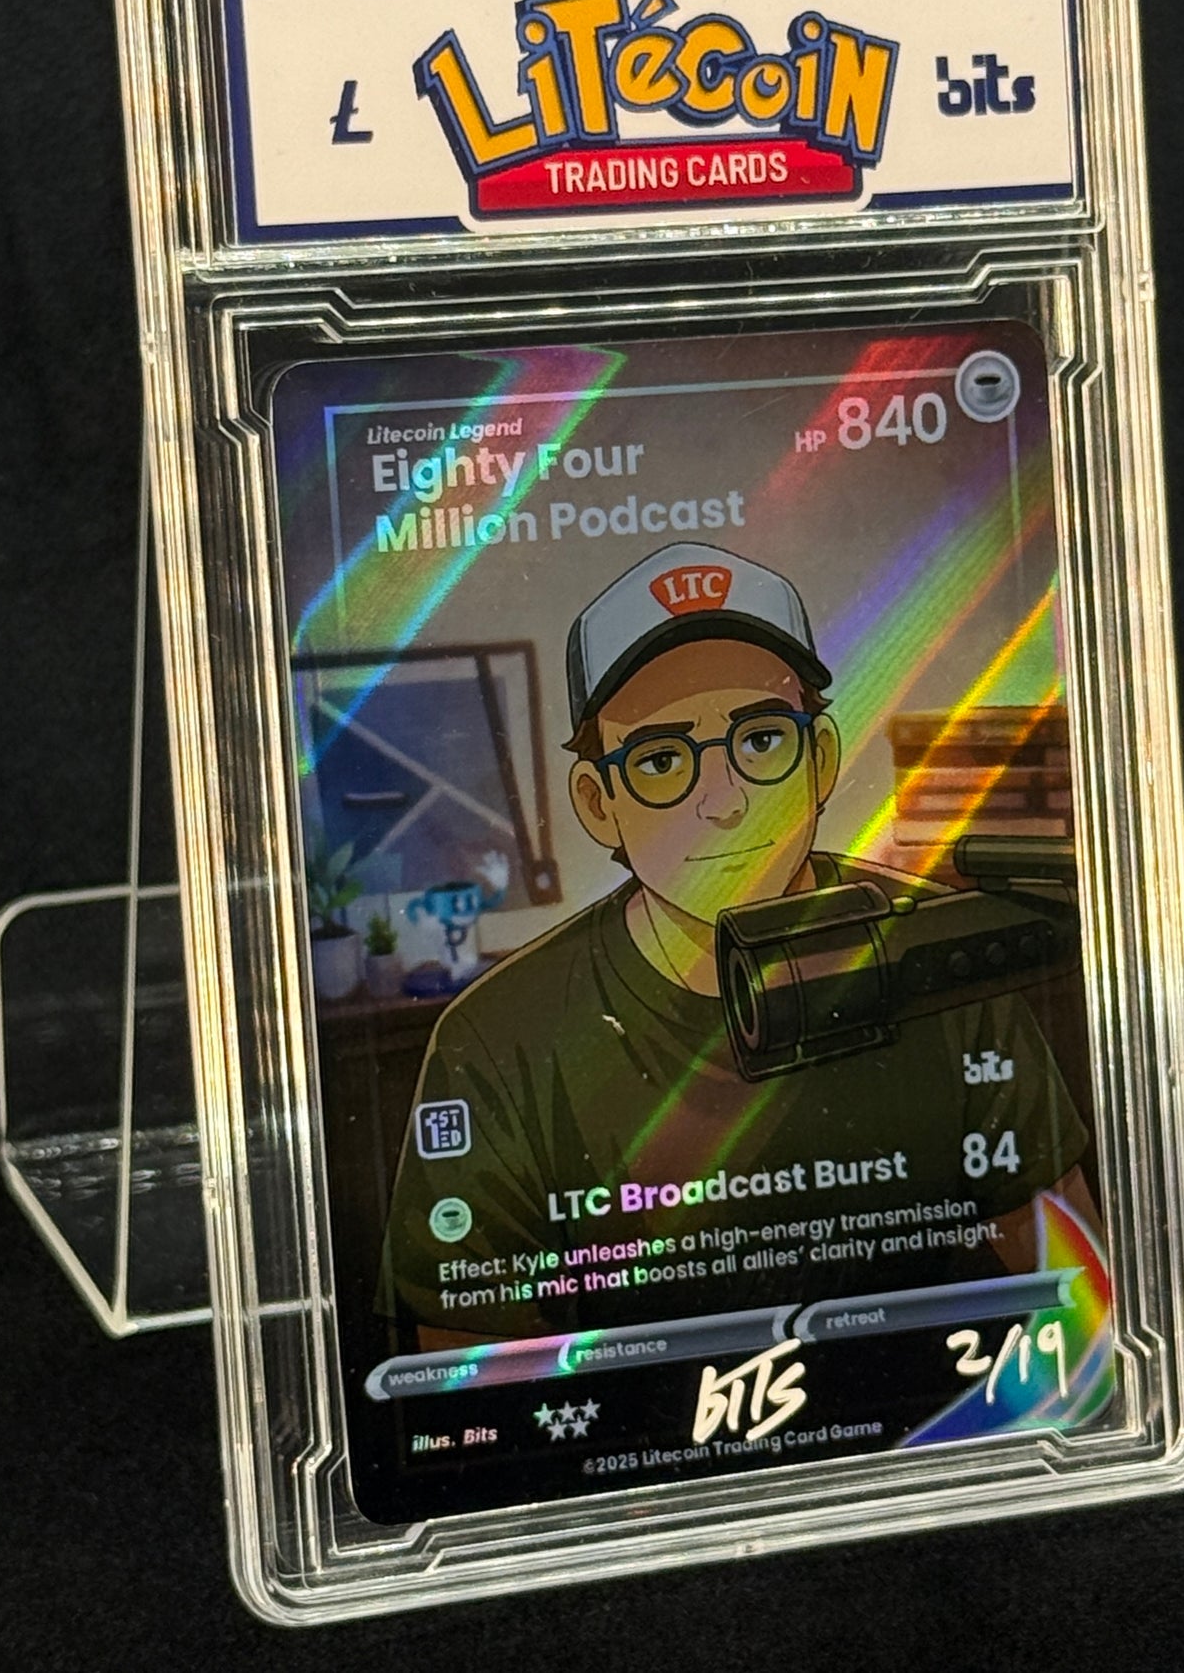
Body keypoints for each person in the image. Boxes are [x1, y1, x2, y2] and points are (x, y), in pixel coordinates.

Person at [376, 542, 1096, 1344]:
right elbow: (470, 1365)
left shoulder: (939, 953)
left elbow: (1076, 1292)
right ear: (597, 802)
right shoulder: (500, 1036)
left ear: (820, 759)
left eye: (760, 741)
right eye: (660, 760)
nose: (725, 802)